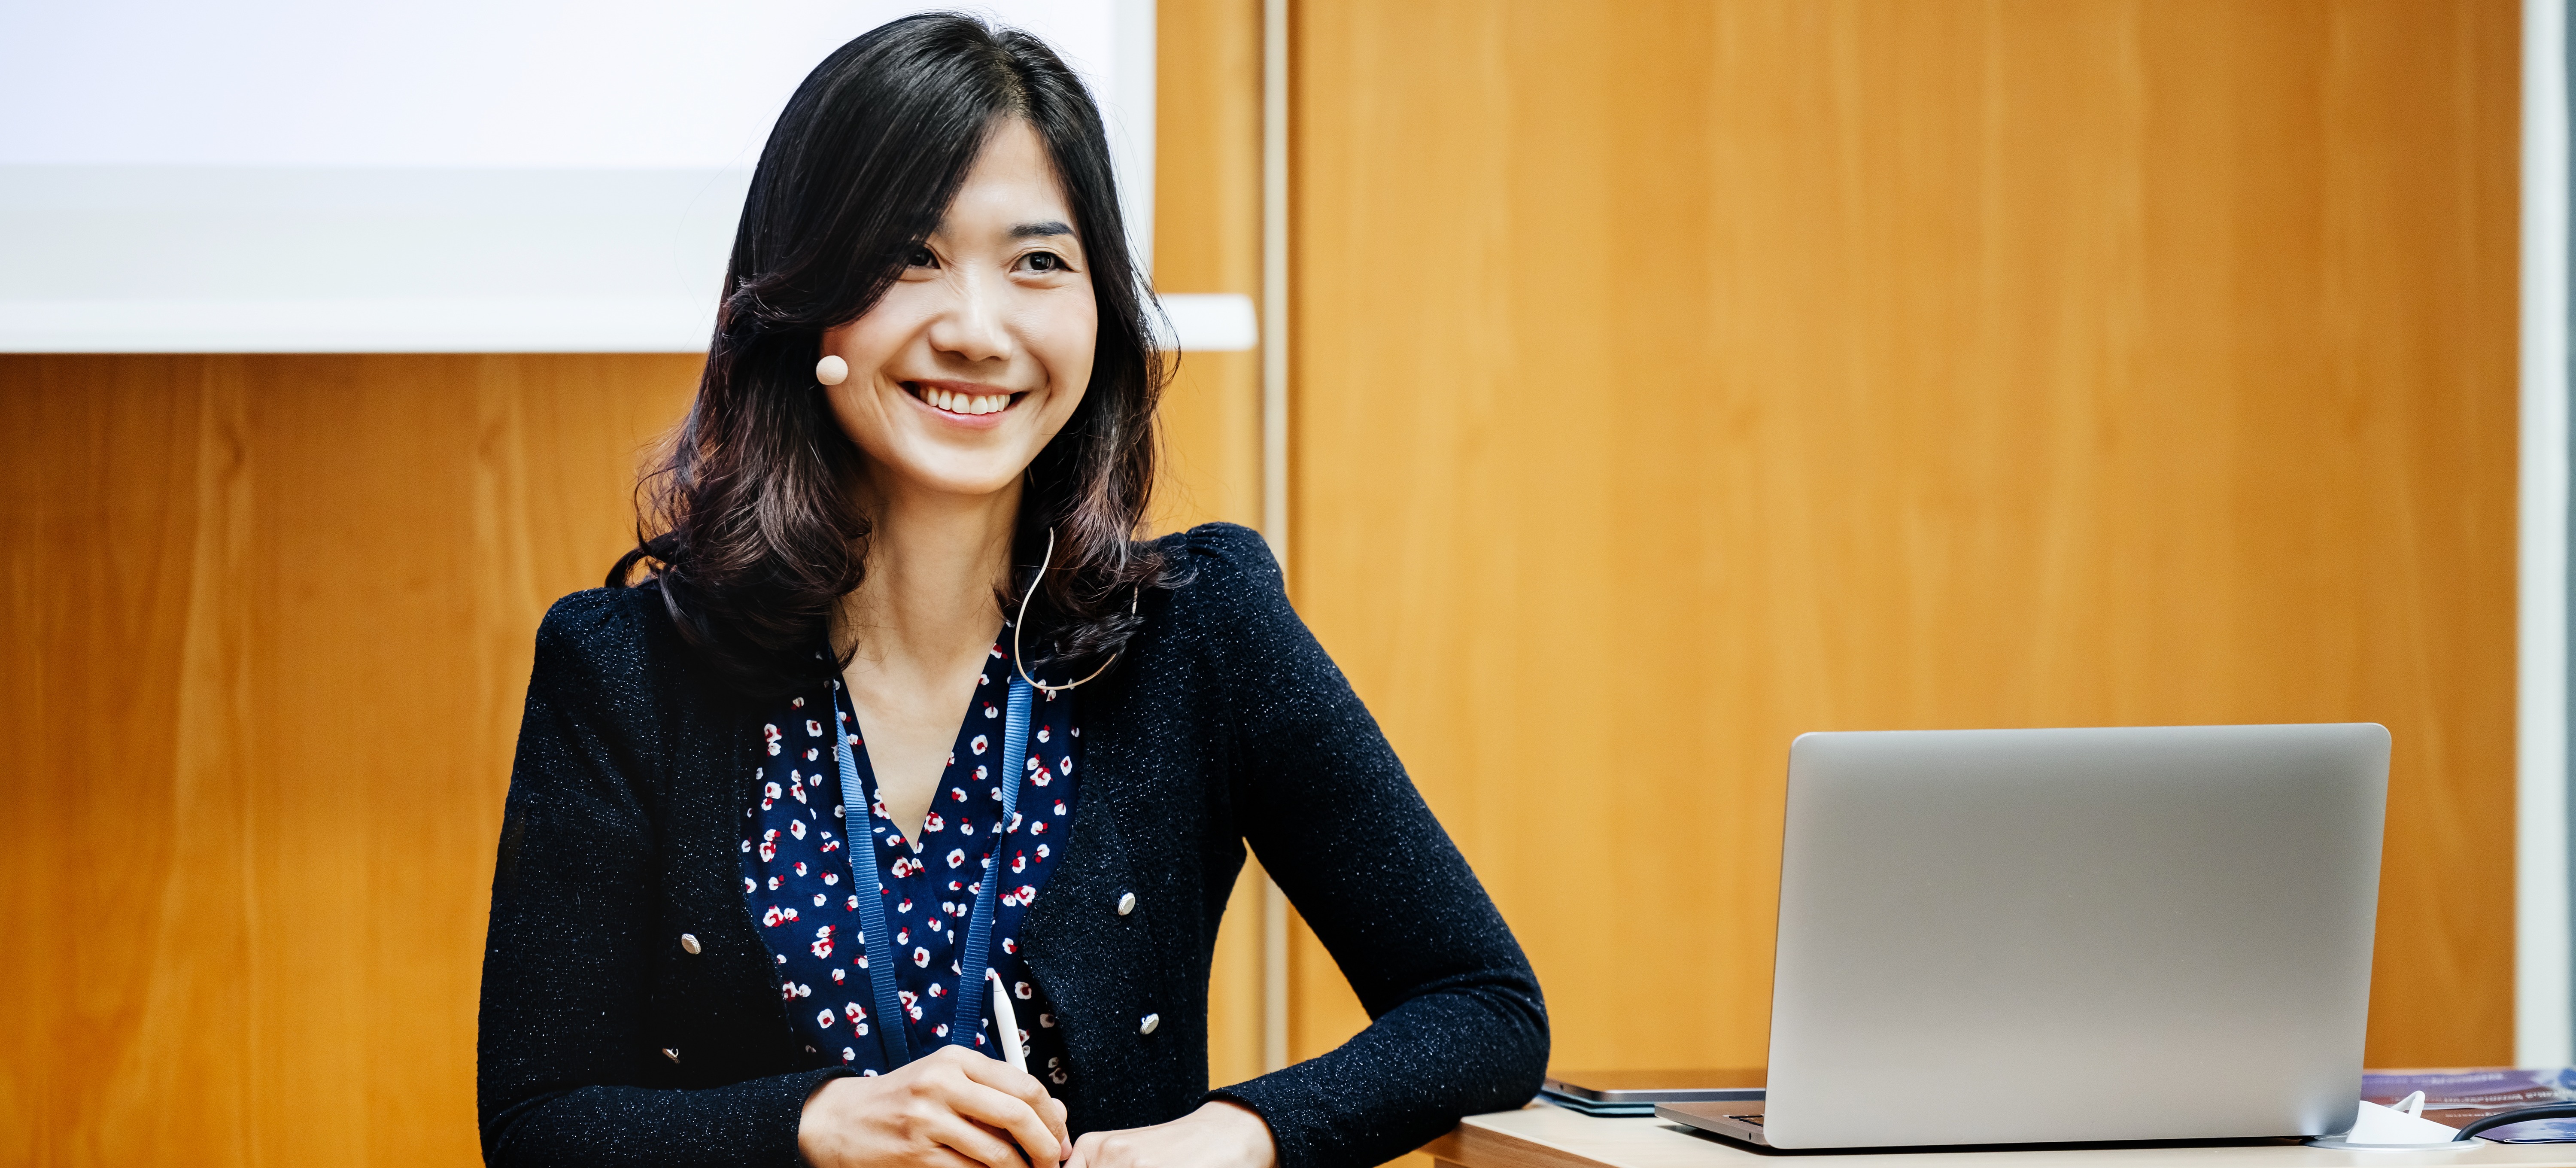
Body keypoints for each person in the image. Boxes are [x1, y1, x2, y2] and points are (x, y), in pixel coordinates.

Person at [476, 14, 1547, 1168]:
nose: (979, 331)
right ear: (801, 305)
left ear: (1100, 314)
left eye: (1040, 262)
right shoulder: (628, 667)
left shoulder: (1203, 629)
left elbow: (1483, 1007)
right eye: (910, 257)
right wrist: (814, 1125)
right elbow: (542, 1123)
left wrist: (1236, 1137)